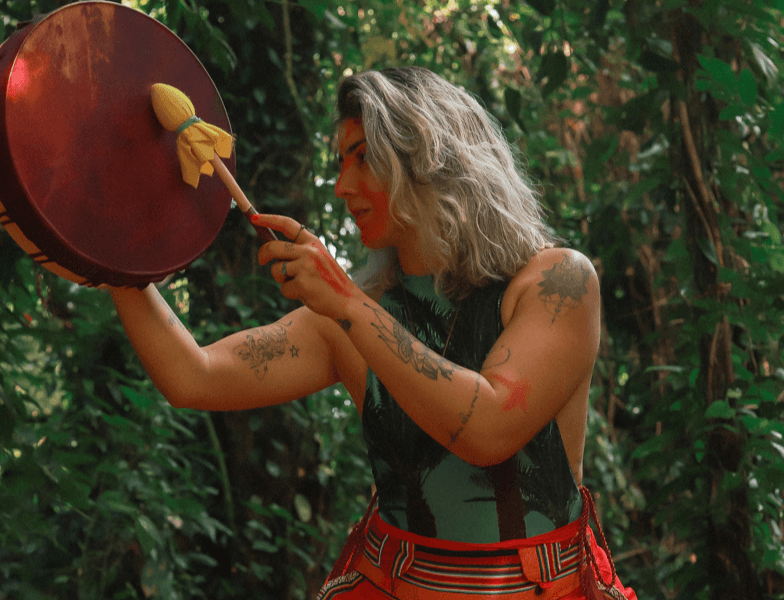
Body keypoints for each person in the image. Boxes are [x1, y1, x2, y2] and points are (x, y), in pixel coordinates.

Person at [109, 67, 636, 600]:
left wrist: (347, 304)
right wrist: (105, 246)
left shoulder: (558, 283)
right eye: (341, 162)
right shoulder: (353, 314)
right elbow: (193, 375)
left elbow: (488, 431)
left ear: (429, 156)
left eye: (362, 158)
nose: (342, 186)